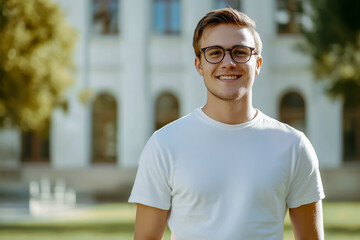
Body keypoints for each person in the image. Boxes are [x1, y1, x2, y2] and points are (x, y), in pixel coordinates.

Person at [129, 7, 325, 240]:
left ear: (258, 63)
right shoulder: (164, 145)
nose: (228, 62)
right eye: (214, 53)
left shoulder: (294, 146)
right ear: (199, 64)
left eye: (240, 52)